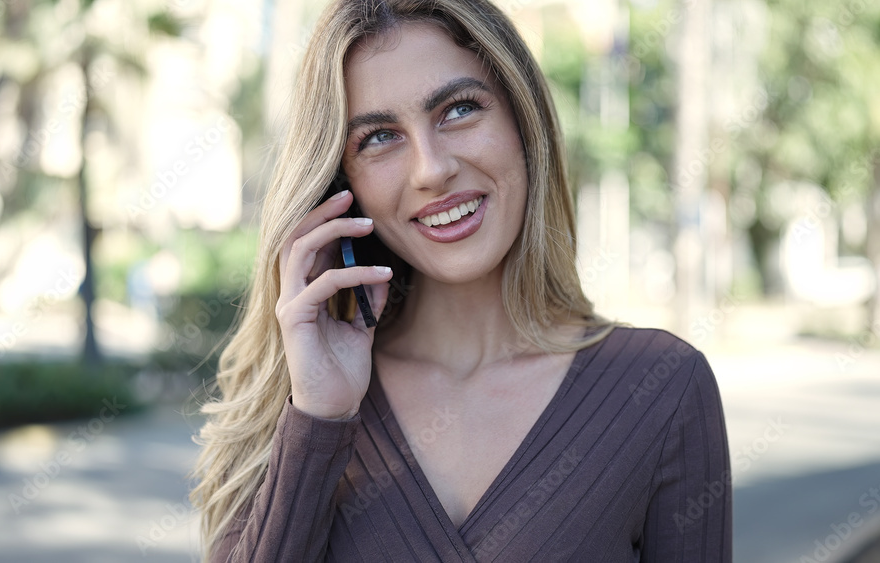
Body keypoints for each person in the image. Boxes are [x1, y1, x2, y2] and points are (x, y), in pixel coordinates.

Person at [190, 0, 732, 561]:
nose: (431, 169)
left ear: (524, 122)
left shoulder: (661, 388)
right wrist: (318, 420)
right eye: (378, 137)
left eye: (458, 110)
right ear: (339, 184)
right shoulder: (293, 398)